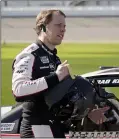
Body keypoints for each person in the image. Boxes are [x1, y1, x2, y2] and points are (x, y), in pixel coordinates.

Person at [11, 9, 109, 138]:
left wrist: (88, 112)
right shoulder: (29, 55)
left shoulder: (53, 56)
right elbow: (19, 90)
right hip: (37, 128)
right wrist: (55, 77)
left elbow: (61, 96)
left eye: (64, 26)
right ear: (43, 27)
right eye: (58, 25)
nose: (63, 30)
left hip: (54, 126)